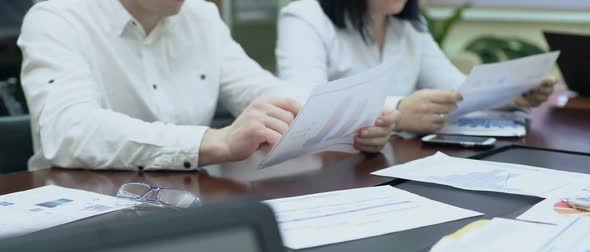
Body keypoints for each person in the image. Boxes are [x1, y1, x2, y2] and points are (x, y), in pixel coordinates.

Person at [19, 0, 397, 171]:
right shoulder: (56, 17)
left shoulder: (200, 16)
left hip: (183, 202)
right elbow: (67, 132)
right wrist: (211, 142)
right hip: (83, 211)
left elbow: (262, 91)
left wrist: (348, 122)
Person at [276, 0, 556, 135]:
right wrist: (397, 111)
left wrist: (510, 94)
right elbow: (305, 105)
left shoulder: (407, 25)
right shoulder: (304, 17)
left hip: (394, 162)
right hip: (331, 170)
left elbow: (457, 89)